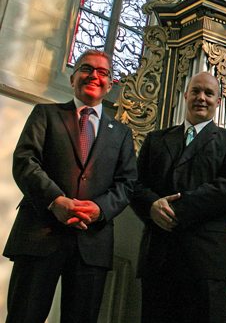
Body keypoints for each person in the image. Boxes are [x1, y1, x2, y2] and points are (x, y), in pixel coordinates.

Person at [3, 49, 137, 322]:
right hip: (40, 233)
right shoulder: (46, 114)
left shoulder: (122, 134)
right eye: (87, 69)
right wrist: (56, 201)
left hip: (92, 242)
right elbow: (25, 162)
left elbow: (127, 184)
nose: (94, 76)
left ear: (110, 85)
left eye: (103, 72)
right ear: (73, 77)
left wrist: (99, 209)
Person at [131, 72, 226, 323]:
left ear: (219, 101)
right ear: (185, 95)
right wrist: (151, 205)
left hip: (205, 260)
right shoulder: (155, 139)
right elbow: (135, 184)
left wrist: (175, 209)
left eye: (209, 93)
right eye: (196, 91)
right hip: (159, 256)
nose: (201, 98)